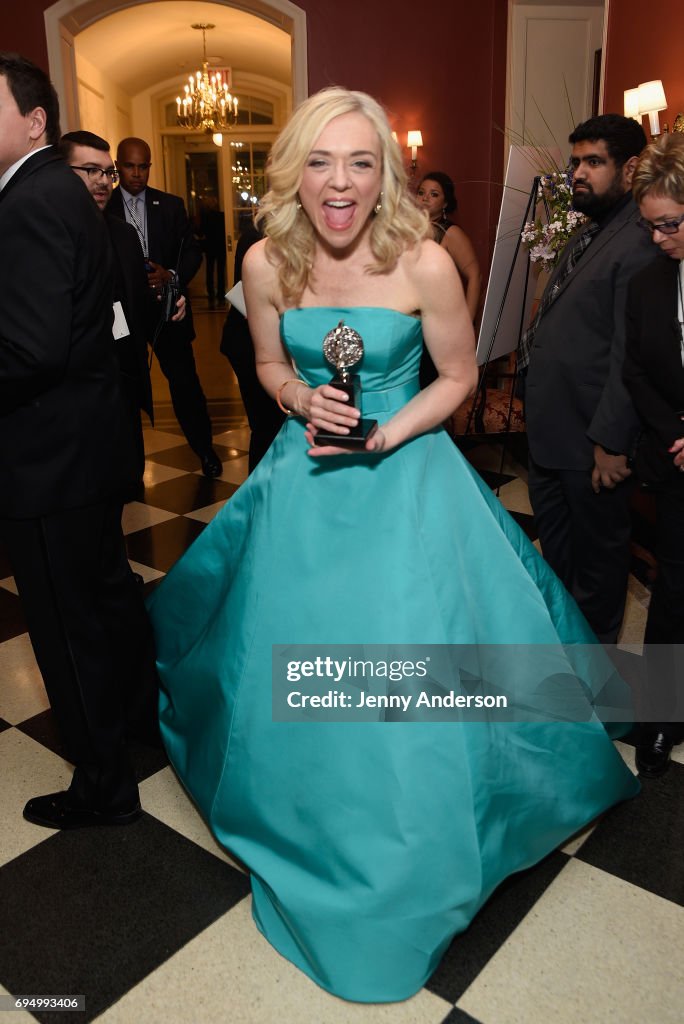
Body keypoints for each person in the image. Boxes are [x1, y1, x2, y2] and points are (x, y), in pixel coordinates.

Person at [148, 88, 637, 1002]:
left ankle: (416, 830)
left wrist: (385, 432)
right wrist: (301, 401)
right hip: (302, 492)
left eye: (361, 163)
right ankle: (300, 807)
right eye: (323, 162)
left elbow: (457, 377)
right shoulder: (262, 262)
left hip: (407, 482)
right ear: (295, 170)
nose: (340, 183)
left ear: (386, 176)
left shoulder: (422, 264)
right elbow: (267, 364)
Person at [0, 54, 152, 828]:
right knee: (103, 601)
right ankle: (133, 724)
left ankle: (103, 786)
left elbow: (31, 350)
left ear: (35, 121)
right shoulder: (63, 195)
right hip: (85, 449)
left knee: (66, 627)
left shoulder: (28, 199)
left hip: (47, 459)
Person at [521, 114, 656, 643]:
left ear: (631, 168)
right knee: (560, 560)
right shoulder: (589, 228)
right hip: (552, 435)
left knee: (598, 570)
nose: (578, 173)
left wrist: (610, 442)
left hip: (591, 442)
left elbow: (631, 355)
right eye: (576, 161)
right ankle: (567, 660)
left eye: (594, 162)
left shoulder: (640, 238)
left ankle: (599, 689)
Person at [60, 130, 187, 498]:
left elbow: (135, 301)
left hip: (122, 373)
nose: (103, 181)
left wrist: (169, 302)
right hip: (73, 385)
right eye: (90, 170)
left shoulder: (123, 234)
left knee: (127, 476)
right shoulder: (51, 232)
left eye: (106, 173)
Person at [623, 132, 684, 776]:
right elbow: (638, 373)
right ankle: (663, 715)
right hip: (675, 461)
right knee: (673, 592)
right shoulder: (647, 283)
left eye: (669, 225)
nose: (658, 238)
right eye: (651, 227)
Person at [108, 137, 222, 478]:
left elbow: (192, 253)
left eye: (144, 166)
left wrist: (170, 274)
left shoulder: (170, 205)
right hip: (122, 314)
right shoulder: (102, 205)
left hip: (167, 309)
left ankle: (205, 451)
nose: (137, 173)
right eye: (130, 165)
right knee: (125, 388)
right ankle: (129, 469)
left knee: (186, 384)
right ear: (117, 166)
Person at [220, 214, 285, 470]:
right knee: (267, 428)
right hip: (249, 344)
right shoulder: (260, 236)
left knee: (271, 429)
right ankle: (260, 502)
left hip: (271, 344)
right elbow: (246, 296)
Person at [416, 171, 481, 389]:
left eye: (434, 194)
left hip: (437, 326)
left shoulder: (450, 233)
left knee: (429, 389)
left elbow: (475, 276)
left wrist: (467, 324)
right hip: (411, 325)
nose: (425, 198)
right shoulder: (407, 231)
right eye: (421, 192)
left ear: (445, 203)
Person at [198, 195, 227, 308]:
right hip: (221, 246)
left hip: (210, 246)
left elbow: (201, 232)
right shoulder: (222, 216)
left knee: (209, 271)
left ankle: (211, 293)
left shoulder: (205, 217)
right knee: (220, 271)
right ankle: (221, 294)